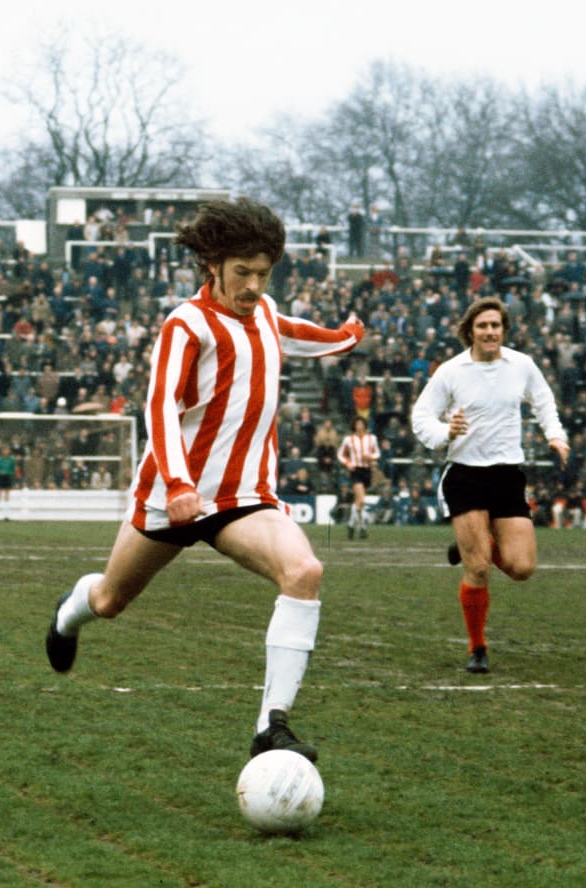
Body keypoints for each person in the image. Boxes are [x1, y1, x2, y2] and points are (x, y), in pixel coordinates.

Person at [45, 198, 364, 763]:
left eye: (264, 274)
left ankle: (271, 726)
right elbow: (160, 406)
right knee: (112, 599)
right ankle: (71, 611)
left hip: (244, 498)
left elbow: (296, 333)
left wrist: (345, 335)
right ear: (212, 264)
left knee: (305, 571)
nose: (253, 285)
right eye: (243, 272)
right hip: (176, 496)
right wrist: (177, 484)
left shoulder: (264, 312)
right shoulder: (185, 324)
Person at [411, 296, 569, 674]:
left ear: (504, 329)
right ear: (471, 331)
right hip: (465, 474)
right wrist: (444, 432)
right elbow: (421, 417)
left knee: (521, 567)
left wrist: (555, 435)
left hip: (507, 475)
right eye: (482, 326)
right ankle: (477, 648)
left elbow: (544, 402)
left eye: (496, 326)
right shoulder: (451, 371)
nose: (490, 332)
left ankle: (474, 543)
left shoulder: (522, 365)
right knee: (479, 568)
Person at [337, 416, 380, 539]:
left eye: (361, 423)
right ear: (354, 426)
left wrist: (370, 457)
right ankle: (362, 527)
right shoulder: (348, 440)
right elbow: (340, 454)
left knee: (358, 502)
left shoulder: (372, 438)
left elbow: (377, 453)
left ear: (365, 425)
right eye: (357, 424)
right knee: (361, 500)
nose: (359, 426)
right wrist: (348, 464)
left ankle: (352, 525)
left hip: (367, 471)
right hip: (355, 470)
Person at [0, 444, 16, 520]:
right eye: (4, 450)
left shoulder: (11, 459)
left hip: (8, 476)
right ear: (2, 451)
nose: (6, 451)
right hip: (0, 476)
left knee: (7, 496)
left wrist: (11, 475)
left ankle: (6, 515)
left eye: (7, 450)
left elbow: (13, 469)